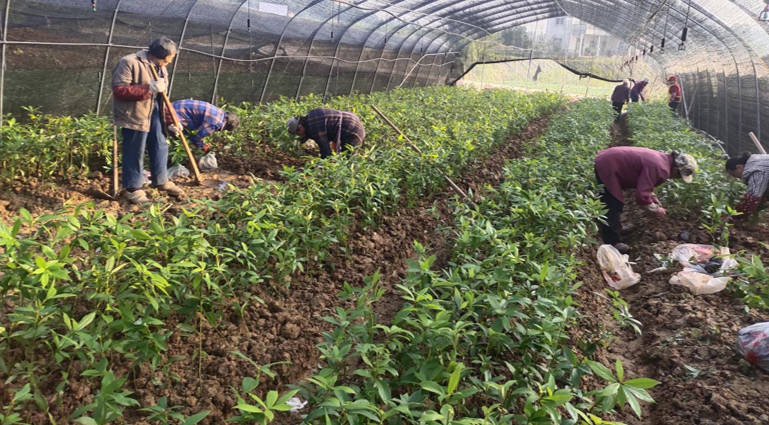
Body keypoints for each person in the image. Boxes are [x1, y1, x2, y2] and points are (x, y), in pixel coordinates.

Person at [112, 36, 185, 204]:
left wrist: (172, 120)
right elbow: (119, 90)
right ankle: (133, 189)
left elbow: (163, 98)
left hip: (155, 113)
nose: (170, 62)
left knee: (160, 144)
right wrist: (148, 89)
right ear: (158, 55)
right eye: (168, 59)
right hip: (135, 115)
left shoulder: (161, 68)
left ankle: (161, 181)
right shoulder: (129, 62)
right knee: (135, 150)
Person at [594, 146, 698, 252]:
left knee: (613, 202)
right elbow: (641, 197)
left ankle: (617, 229)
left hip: (609, 159)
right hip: (608, 164)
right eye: (679, 176)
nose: (677, 179)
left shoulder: (663, 160)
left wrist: (653, 198)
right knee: (613, 203)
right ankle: (612, 242)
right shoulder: (661, 169)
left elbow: (645, 183)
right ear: (676, 170)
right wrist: (656, 209)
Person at [164, 99, 240, 152]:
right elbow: (196, 138)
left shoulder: (218, 112)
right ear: (226, 127)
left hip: (173, 106)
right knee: (175, 137)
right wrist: (205, 147)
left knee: (183, 133)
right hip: (173, 114)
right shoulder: (216, 122)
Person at [286, 108, 365, 158]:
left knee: (348, 158)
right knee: (339, 155)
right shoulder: (310, 118)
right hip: (350, 121)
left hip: (353, 128)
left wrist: (323, 165)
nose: (299, 135)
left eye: (297, 133)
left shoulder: (314, 127)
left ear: (300, 127)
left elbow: (325, 149)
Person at [725, 152, 769, 219]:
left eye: (733, 174)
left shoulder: (756, 171)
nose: (736, 177)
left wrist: (731, 217)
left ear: (738, 167)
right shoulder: (756, 159)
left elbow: (752, 200)